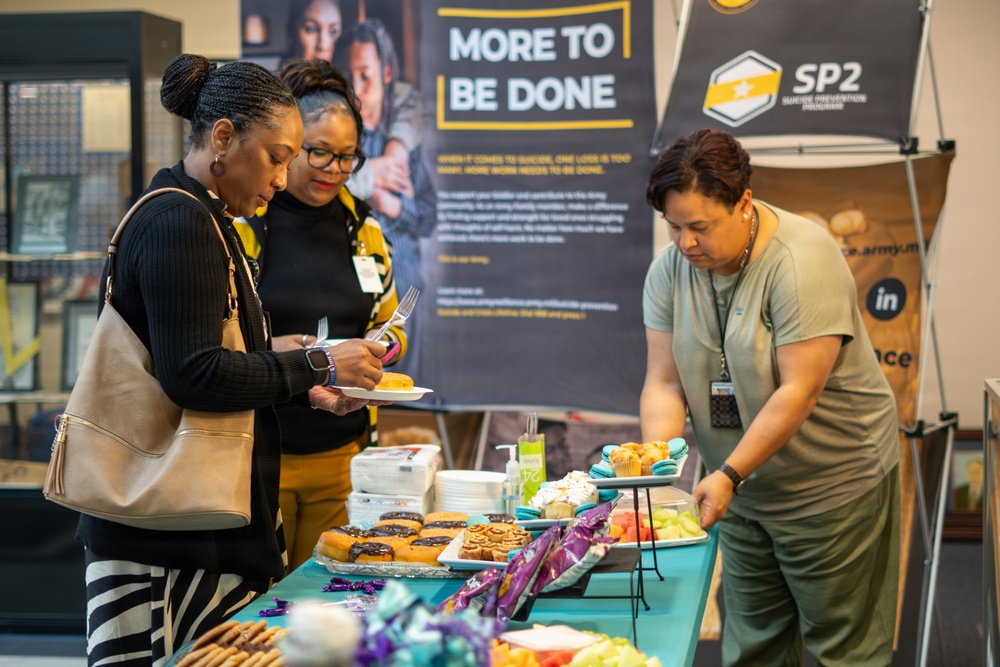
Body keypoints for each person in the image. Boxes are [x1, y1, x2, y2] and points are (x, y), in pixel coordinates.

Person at [77, 54, 388, 666]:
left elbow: (198, 350)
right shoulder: (179, 221)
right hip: (165, 543)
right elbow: (194, 373)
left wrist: (295, 358)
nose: (282, 176)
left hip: (197, 528)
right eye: (277, 156)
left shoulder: (207, 217)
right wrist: (318, 368)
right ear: (223, 138)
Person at [641, 128, 901, 666]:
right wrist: (657, 476)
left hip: (831, 486)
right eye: (673, 227)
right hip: (738, 493)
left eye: (700, 227)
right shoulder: (671, 271)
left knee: (842, 648)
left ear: (743, 203)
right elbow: (664, 382)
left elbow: (799, 392)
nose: (685, 243)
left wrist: (730, 473)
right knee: (754, 644)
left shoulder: (801, 259)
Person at [234, 57, 407, 571]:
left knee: (332, 603)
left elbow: (393, 327)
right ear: (287, 145)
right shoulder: (245, 223)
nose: (335, 170)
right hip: (259, 455)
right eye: (320, 153)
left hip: (343, 454)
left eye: (349, 157)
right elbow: (217, 346)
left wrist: (382, 345)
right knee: (264, 607)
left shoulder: (363, 229)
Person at [338, 19, 436, 373]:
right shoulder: (336, 145)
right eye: (348, 77)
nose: (357, 89)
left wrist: (388, 203)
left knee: (406, 384)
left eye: (366, 75)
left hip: (408, 287)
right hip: (351, 289)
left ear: (388, 72)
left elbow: (428, 218)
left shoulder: (407, 146)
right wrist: (368, 183)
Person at [282, 0, 421, 205]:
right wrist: (368, 174)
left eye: (333, 31)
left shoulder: (357, 92)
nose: (323, 44)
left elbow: (414, 101)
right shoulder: (278, 94)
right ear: (292, 32)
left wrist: (397, 148)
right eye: (311, 29)